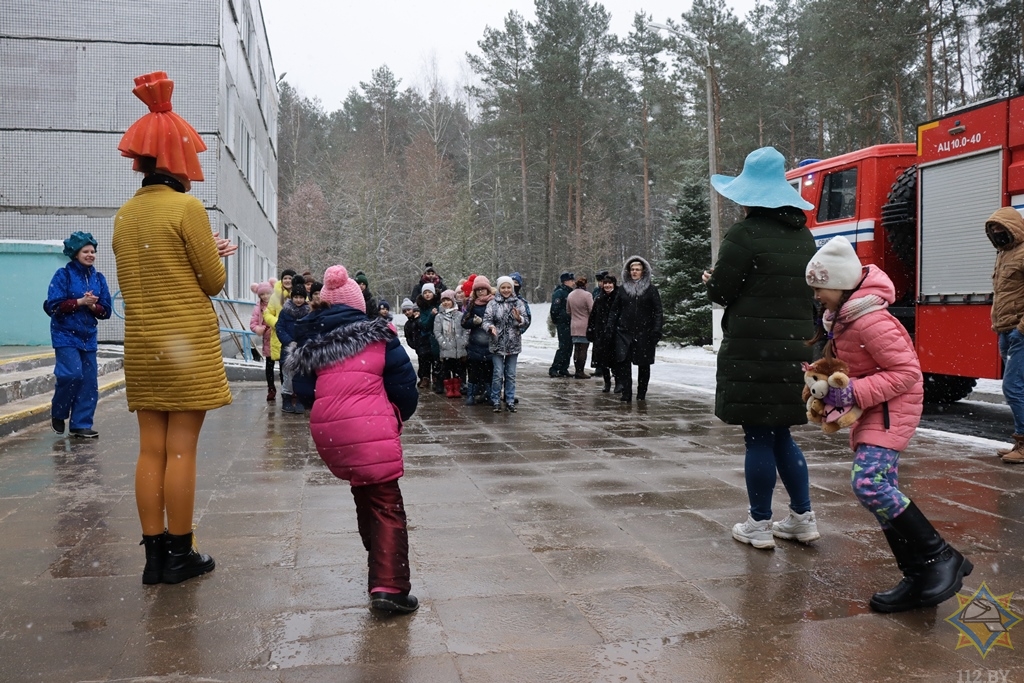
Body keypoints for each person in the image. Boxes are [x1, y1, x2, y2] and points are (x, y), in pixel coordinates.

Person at [112, 71, 236, 584]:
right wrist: (212, 249)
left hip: (143, 343)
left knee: (150, 448)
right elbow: (211, 280)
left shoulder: (125, 214)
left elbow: (150, 269)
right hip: (184, 342)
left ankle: (153, 558)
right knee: (183, 447)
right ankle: (182, 554)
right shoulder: (186, 207)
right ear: (178, 162)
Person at [805, 235, 973, 612]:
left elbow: (907, 372)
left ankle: (941, 556)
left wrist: (854, 393)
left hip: (892, 410)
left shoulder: (870, 320)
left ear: (841, 285)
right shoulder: (844, 319)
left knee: (869, 484)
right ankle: (917, 575)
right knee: (882, 495)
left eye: (820, 288)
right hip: (877, 409)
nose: (817, 296)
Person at [702, 146, 818, 551]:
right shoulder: (804, 236)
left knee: (758, 439)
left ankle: (759, 523)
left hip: (754, 351)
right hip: (796, 351)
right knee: (783, 434)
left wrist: (711, 279)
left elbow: (723, 291)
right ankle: (803, 517)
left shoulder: (743, 234)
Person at [287, 264, 420, 614]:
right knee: (387, 504)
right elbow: (405, 387)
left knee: (365, 495)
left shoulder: (310, 339)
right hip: (370, 428)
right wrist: (392, 415)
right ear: (358, 304)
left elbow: (302, 389)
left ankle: (379, 567)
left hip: (331, 434)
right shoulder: (379, 337)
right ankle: (389, 588)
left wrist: (335, 410)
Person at [44, 231, 113, 438]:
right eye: (86, 251)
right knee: (71, 374)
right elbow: (52, 306)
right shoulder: (62, 275)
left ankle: (81, 424)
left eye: (93, 251)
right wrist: (80, 302)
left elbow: (106, 310)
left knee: (89, 382)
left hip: (88, 336)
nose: (90, 254)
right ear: (76, 253)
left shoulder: (99, 278)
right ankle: (59, 412)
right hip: (65, 334)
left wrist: (93, 308)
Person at [985, 207, 1024, 463]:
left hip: (1019, 332)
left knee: (1013, 387)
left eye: (1002, 229)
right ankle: (1019, 442)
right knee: (1018, 387)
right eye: (994, 230)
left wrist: (1021, 329)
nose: (998, 233)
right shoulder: (1004, 254)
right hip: (1005, 330)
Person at [608, 257, 663, 402]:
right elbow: (615, 310)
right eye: (632, 269)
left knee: (644, 365)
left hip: (645, 333)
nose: (634, 272)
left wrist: (656, 330)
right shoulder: (622, 290)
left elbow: (658, 311)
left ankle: (641, 393)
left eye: (637, 269)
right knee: (623, 363)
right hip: (624, 332)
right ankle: (626, 393)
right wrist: (610, 328)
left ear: (643, 271)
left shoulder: (651, 289)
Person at [484, 276, 530, 412]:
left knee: (510, 374)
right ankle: (495, 399)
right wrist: (490, 327)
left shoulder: (519, 303)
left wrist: (519, 318)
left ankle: (510, 399)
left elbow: (526, 320)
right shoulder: (492, 303)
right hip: (497, 343)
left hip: (513, 344)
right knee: (498, 373)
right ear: (499, 288)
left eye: (508, 287)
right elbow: (486, 320)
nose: (506, 290)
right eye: (503, 287)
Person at [276, 278, 311, 414]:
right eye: (296, 297)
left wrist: (305, 342)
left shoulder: (308, 312)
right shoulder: (285, 312)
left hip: (303, 349)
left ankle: (301, 400)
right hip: (288, 350)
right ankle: (287, 399)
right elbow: (280, 328)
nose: (298, 300)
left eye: (301, 297)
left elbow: (310, 329)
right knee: (288, 377)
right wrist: (289, 342)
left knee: (302, 376)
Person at [462, 276, 494, 405]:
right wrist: (473, 322)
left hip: (490, 343)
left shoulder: (494, 303)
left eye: (483, 289)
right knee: (474, 372)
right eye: (478, 290)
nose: (481, 292)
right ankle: (471, 394)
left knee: (489, 372)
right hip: (475, 344)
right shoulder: (472, 304)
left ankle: (490, 394)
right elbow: (464, 322)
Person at [264, 268, 296, 395]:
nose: (287, 281)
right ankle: (286, 394)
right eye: (285, 278)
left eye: (290, 278)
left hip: (295, 335)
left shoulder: (300, 294)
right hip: (279, 335)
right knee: (283, 365)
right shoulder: (275, 296)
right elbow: (267, 313)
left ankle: (294, 392)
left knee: (294, 365)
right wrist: (276, 323)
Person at [433, 289, 468, 398]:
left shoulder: (460, 315)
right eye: (443, 300)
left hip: (459, 348)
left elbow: (465, 330)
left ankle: (457, 388)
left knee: (459, 369)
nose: (445, 303)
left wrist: (463, 341)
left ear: (453, 300)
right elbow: (437, 332)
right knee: (446, 370)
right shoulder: (439, 317)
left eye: (448, 300)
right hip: (446, 348)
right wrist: (443, 343)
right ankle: (449, 388)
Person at [587, 275, 618, 393]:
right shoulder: (599, 298)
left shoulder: (618, 297)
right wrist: (590, 330)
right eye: (605, 283)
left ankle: (618, 382)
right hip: (601, 334)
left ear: (614, 284)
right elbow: (593, 316)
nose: (607, 286)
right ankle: (607, 382)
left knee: (616, 360)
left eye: (610, 283)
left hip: (615, 333)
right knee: (603, 361)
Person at [248, 279, 277, 402]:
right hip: (267, 339)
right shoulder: (258, 307)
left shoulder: (277, 303)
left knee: (283, 365)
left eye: (267, 293)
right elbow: (253, 323)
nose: (265, 296)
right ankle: (271, 388)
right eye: (262, 294)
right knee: (269, 365)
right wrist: (262, 329)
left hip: (279, 337)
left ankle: (287, 390)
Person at [548, 272, 575, 378]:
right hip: (563, 323)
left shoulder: (569, 292)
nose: (573, 282)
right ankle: (554, 368)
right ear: (566, 281)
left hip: (570, 323)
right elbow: (554, 309)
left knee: (569, 347)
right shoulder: (559, 293)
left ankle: (564, 368)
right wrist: (558, 320)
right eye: (571, 280)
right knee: (563, 347)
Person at [416, 283, 442, 393]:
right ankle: (425, 378)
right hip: (426, 337)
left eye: (429, 292)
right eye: (425, 293)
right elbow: (425, 324)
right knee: (425, 359)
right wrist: (431, 315)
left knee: (437, 359)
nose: (427, 295)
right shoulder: (422, 308)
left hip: (437, 336)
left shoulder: (439, 305)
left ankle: (437, 379)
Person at [567, 276, 594, 379]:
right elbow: (592, 309)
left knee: (576, 349)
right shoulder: (587, 295)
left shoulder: (570, 295)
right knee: (583, 349)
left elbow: (568, 311)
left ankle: (577, 369)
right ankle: (580, 371)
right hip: (585, 324)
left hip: (574, 324)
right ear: (586, 284)